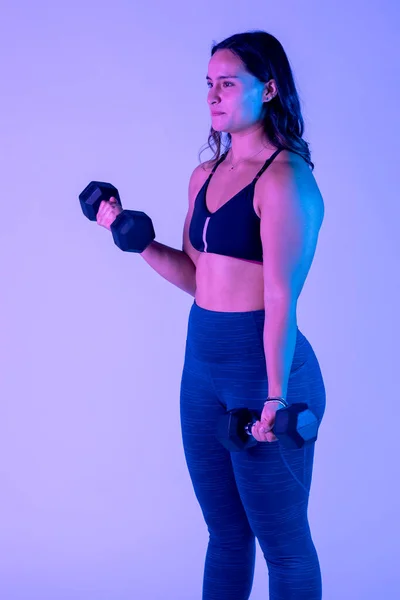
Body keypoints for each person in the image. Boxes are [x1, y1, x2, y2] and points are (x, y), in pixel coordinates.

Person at [96, 29, 326, 600]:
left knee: (285, 548)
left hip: (266, 371)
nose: (213, 95)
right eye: (208, 84)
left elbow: (281, 299)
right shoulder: (205, 175)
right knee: (224, 534)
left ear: (268, 90)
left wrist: (275, 397)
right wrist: (131, 238)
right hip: (202, 370)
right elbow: (200, 279)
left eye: (229, 82)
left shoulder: (284, 179)